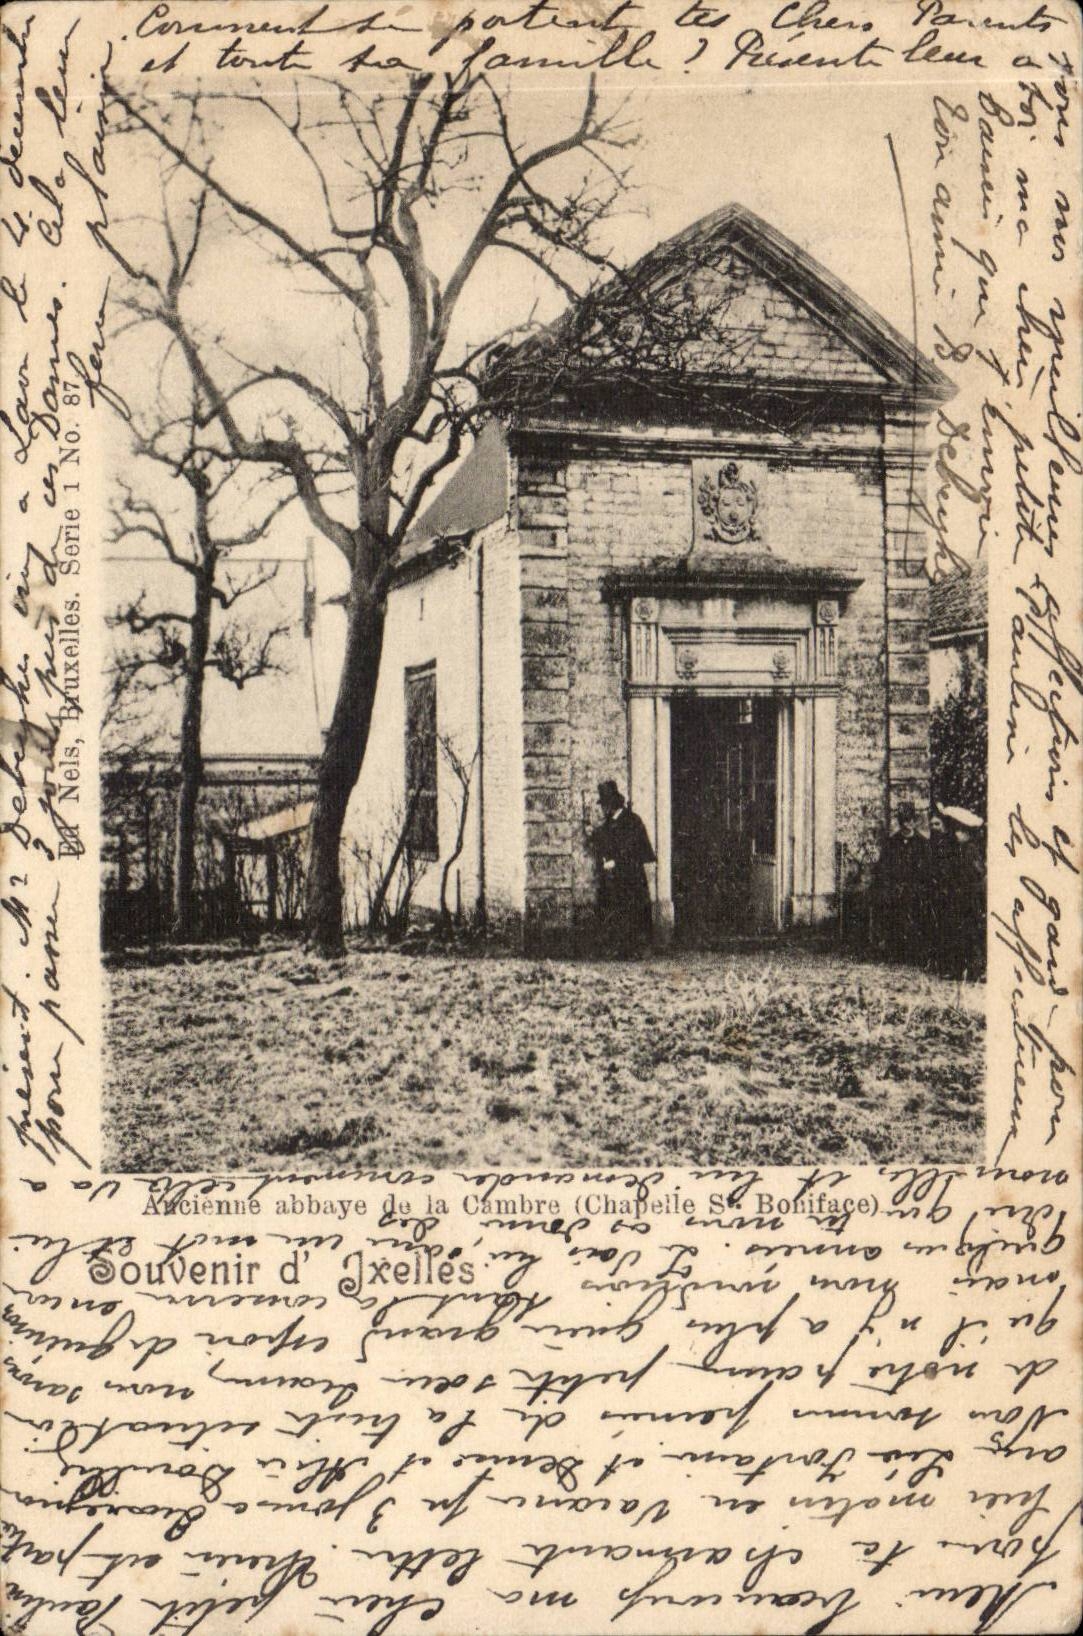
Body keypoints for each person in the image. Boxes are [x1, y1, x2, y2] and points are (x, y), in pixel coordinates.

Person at [588, 780, 655, 956]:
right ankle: (619, 948)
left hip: (631, 876)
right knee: (615, 909)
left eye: (604, 804)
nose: (602, 809)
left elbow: (632, 847)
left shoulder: (632, 821)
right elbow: (604, 838)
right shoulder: (610, 823)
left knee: (633, 910)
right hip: (616, 878)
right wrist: (592, 834)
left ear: (612, 804)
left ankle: (636, 949)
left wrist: (615, 862)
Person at [872, 800, 930, 962]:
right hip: (895, 888)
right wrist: (892, 884)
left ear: (915, 820)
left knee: (915, 914)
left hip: (916, 888)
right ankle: (895, 952)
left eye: (911, 820)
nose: (908, 824)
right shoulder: (892, 842)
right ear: (900, 822)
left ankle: (914, 953)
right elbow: (883, 867)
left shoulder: (923, 843)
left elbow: (926, 869)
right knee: (893, 913)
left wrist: (916, 885)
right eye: (905, 821)